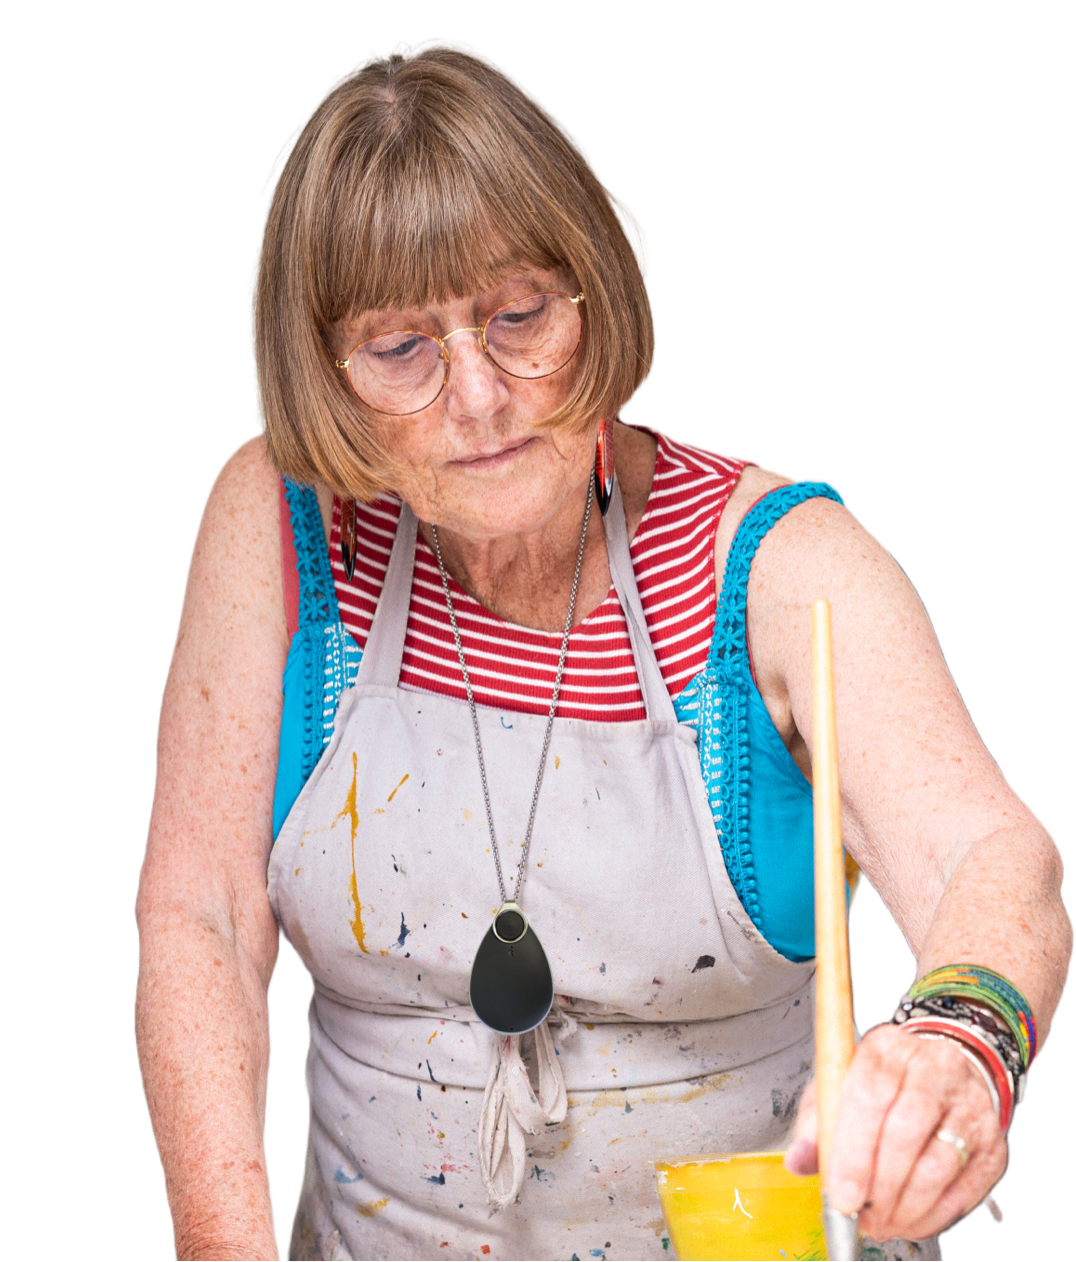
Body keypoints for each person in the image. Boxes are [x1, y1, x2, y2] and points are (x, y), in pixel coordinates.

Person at [134, 43, 1071, 1262]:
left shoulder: (782, 569)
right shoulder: (281, 528)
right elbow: (198, 916)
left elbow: (990, 857)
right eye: (398, 349)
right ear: (324, 369)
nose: (478, 396)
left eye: (519, 315)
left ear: (594, 294)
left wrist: (961, 1036)